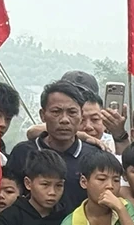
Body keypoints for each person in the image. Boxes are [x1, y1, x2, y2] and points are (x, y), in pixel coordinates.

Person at [8, 81, 102, 216]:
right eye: (56, 112)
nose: (64, 120)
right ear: (42, 115)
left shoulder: (94, 156)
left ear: (81, 115)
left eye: (72, 112)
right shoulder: (23, 153)